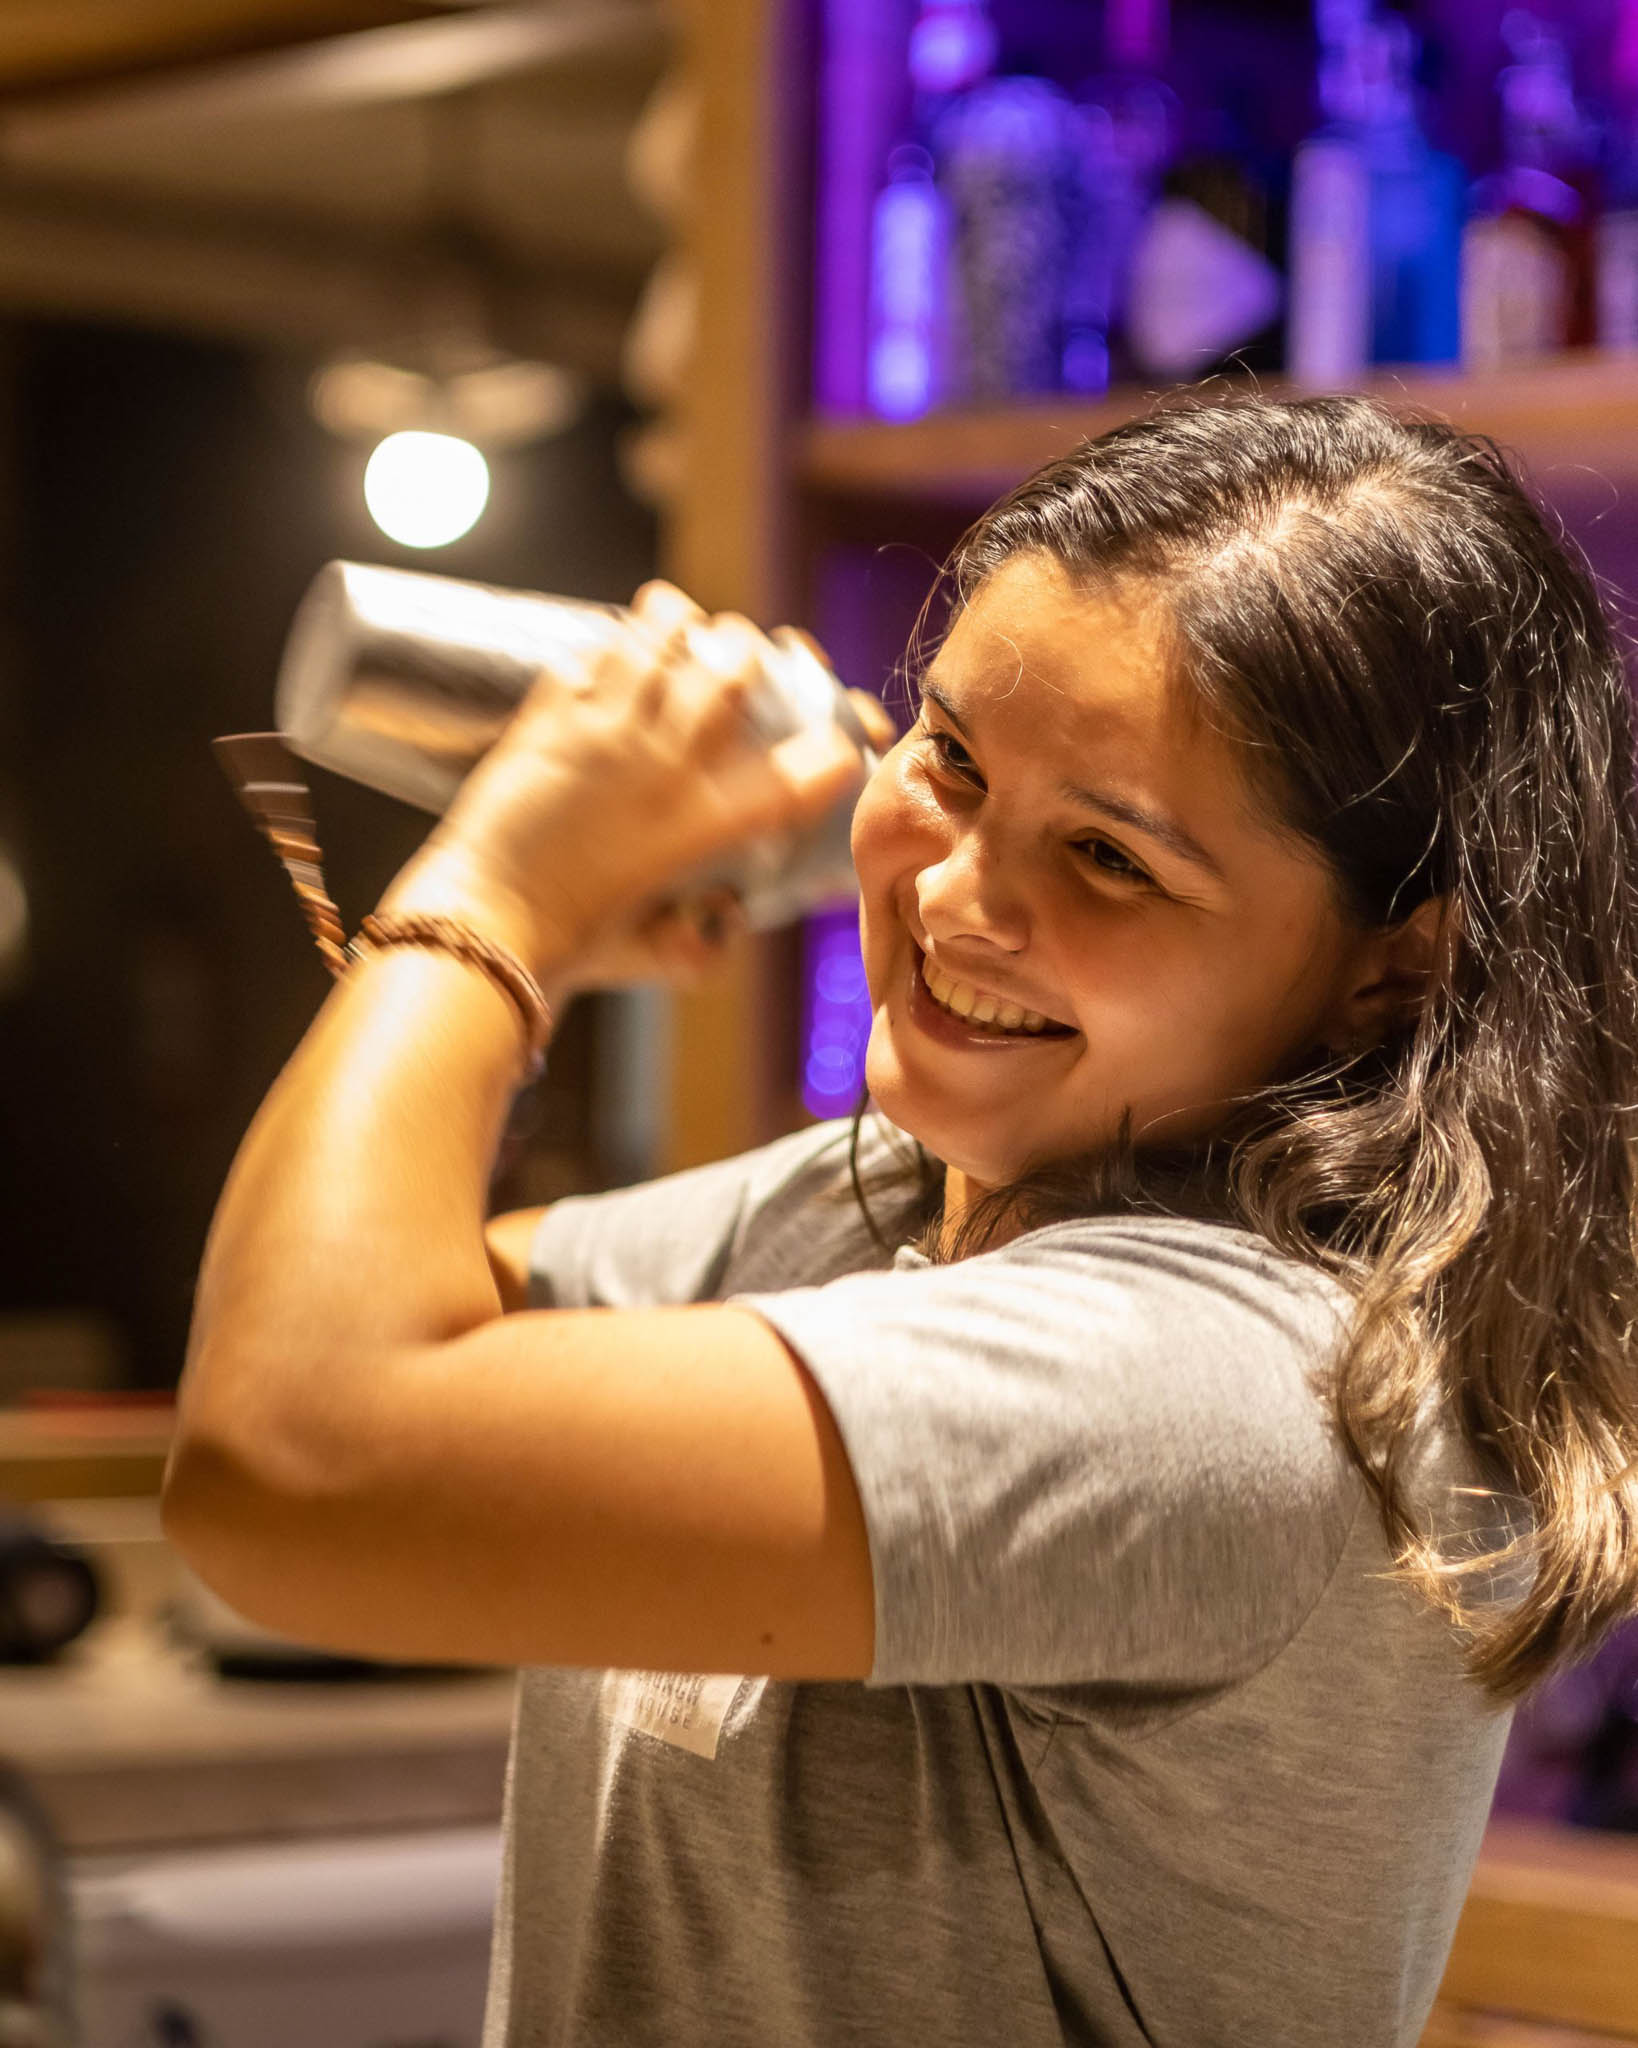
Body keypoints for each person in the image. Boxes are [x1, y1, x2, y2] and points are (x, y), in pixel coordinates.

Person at [164, 394, 1638, 2047]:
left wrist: (501, 907)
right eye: (947, 759)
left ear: (1394, 965)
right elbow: (352, 1299)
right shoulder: (866, 1208)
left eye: (1106, 855)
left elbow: (291, 1459)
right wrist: (562, 901)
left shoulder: (1225, 1381)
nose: (947, 896)